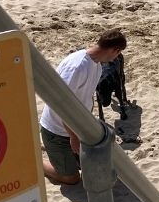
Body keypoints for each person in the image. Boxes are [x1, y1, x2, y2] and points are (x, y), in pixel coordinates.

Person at [40, 29, 127, 185]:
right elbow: (62, 106)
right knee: (72, 179)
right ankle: (37, 162)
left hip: (78, 128)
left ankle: (62, 159)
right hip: (57, 132)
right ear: (114, 50)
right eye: (117, 54)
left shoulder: (97, 65)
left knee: (99, 166)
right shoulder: (77, 67)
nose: (115, 59)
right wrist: (73, 137)